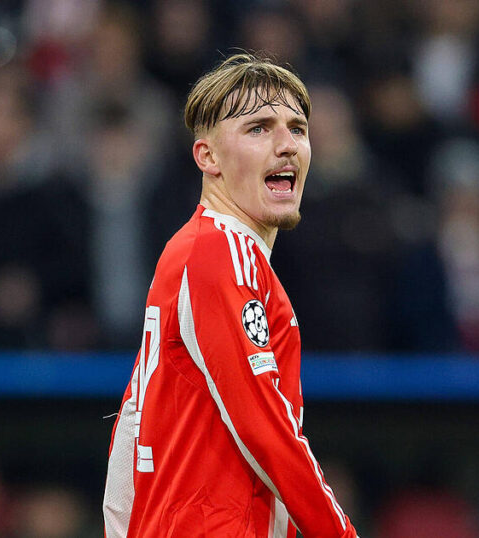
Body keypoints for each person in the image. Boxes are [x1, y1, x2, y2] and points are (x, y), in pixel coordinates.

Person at [102, 53, 359, 538]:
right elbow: (265, 426)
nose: (287, 145)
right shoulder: (221, 252)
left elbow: (130, 426)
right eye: (259, 128)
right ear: (208, 157)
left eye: (298, 129)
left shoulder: (201, 250)